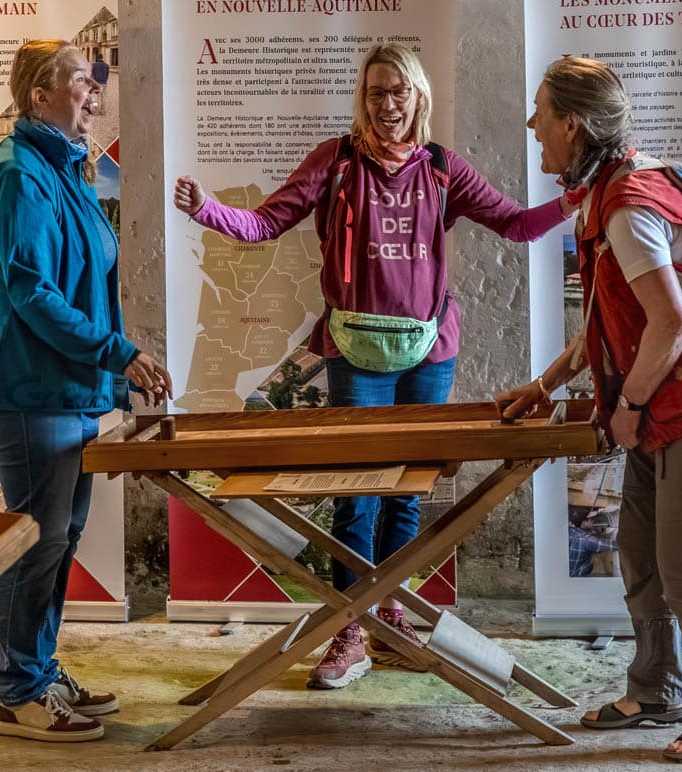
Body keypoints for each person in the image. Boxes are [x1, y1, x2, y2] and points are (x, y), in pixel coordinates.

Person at [174, 43, 571, 690]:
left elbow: (517, 225)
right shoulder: (335, 162)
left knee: (406, 491)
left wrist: (574, 199)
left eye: (398, 92)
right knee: (357, 491)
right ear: (363, 100)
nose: (387, 105)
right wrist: (207, 210)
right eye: (375, 93)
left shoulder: (442, 168)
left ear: (419, 96)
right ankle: (349, 629)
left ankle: (390, 615)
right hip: (355, 352)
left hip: (428, 351)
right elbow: (267, 221)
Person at [497, 56, 682, 763]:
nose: (533, 127)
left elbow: (670, 322)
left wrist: (630, 408)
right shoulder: (603, 191)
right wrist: (549, 381)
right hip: (665, 395)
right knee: (643, 554)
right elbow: (607, 314)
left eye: (539, 114)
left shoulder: (628, 206)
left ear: (572, 123)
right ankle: (657, 689)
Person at [0, 39, 172, 743]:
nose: (96, 90)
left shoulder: (64, 170)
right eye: (84, 78)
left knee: (58, 535)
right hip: (27, 386)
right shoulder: (20, 174)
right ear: (40, 94)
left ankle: (38, 668)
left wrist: (111, 368)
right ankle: (17, 689)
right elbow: (34, 295)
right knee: (35, 537)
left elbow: (86, 285)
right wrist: (120, 354)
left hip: (67, 384)